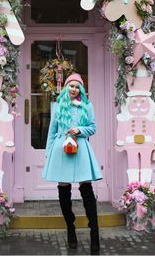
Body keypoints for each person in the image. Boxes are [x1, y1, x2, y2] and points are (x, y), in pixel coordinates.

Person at [42, 73, 102, 254]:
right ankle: (70, 228)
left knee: (86, 189)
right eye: (71, 86)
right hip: (61, 150)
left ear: (81, 89)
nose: (74, 89)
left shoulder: (87, 105)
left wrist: (80, 129)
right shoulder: (59, 106)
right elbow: (52, 131)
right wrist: (49, 152)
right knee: (64, 189)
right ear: (66, 87)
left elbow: (93, 127)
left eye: (77, 87)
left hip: (81, 148)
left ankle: (95, 233)